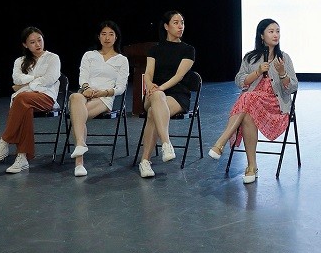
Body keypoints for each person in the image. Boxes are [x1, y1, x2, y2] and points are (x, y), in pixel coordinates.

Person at [207, 18, 299, 184]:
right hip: (252, 104)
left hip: (275, 106)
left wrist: (282, 73)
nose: (276, 35)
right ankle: (251, 166)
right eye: (271, 31)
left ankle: (221, 142)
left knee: (247, 98)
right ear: (262, 36)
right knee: (248, 110)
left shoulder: (284, 58)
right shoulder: (250, 57)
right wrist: (257, 72)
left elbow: (292, 87)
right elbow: (239, 80)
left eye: (278, 31)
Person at [0, 26, 61, 174]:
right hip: (24, 100)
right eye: (32, 42)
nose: (37, 44)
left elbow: (50, 79)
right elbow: (16, 79)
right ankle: (22, 157)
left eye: (39, 40)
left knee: (20, 98)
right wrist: (35, 79)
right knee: (25, 106)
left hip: (46, 97)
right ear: (25, 45)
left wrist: (26, 85)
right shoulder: (20, 61)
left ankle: (5, 141)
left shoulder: (53, 58)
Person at [138, 10, 195, 178]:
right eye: (176, 23)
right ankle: (166, 142)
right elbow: (148, 73)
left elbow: (179, 76)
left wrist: (161, 88)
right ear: (166, 26)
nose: (180, 26)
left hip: (177, 94)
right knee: (156, 98)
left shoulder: (188, 50)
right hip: (153, 93)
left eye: (182, 23)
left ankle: (145, 162)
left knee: (152, 113)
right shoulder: (155, 49)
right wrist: (150, 86)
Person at [68, 21, 129, 177]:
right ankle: (81, 145)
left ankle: (79, 163)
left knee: (77, 116)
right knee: (75, 96)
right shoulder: (89, 55)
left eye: (111, 34)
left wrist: (104, 92)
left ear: (116, 37)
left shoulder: (122, 60)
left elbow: (121, 87)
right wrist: (86, 88)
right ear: (98, 36)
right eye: (104, 34)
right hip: (86, 94)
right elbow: (83, 77)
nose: (107, 38)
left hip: (104, 98)